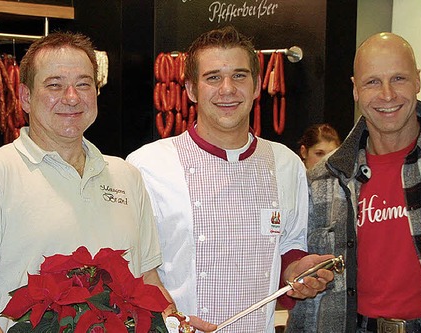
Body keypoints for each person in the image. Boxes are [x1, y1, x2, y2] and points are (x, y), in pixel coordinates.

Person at [0, 31, 202, 331]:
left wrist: (178, 324)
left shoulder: (126, 176)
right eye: (55, 85)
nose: (72, 97)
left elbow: (147, 281)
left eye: (83, 84)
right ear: (25, 96)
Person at [126, 25, 335, 332]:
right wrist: (172, 318)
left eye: (239, 75)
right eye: (213, 77)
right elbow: (137, 269)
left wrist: (298, 271)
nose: (227, 89)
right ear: (191, 89)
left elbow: (288, 245)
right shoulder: (147, 166)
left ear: (256, 85)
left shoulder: (286, 164)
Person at [286, 32, 421, 332]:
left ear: (417, 80)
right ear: (355, 89)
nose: (388, 95)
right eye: (372, 82)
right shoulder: (323, 179)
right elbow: (295, 265)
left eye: (399, 79)